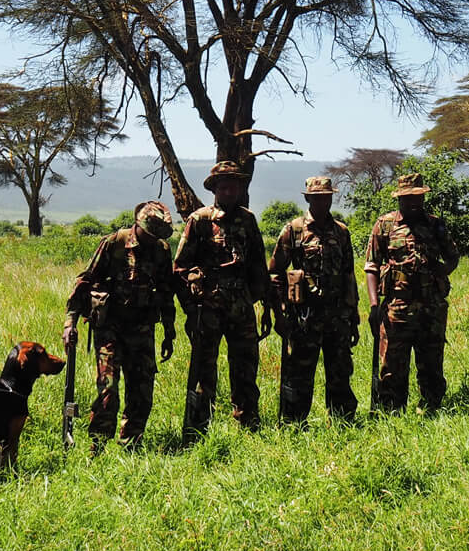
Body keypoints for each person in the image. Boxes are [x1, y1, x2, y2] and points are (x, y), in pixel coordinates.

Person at [63, 201, 178, 453]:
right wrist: (70, 322)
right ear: (137, 225)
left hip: (142, 329)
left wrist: (169, 332)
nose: (151, 239)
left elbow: (166, 292)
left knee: (142, 390)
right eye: (149, 234)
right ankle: (98, 445)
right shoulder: (114, 243)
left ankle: (131, 445)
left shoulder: (161, 250)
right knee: (108, 388)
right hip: (110, 328)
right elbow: (85, 281)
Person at [175, 161, 277, 439]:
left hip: (242, 308)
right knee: (203, 370)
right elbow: (180, 268)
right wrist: (191, 308)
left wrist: (266, 306)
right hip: (206, 309)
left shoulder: (248, 220)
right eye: (223, 186)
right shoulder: (199, 220)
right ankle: (197, 430)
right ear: (215, 189)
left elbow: (259, 266)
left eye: (234, 185)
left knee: (245, 367)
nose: (229, 190)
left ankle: (248, 425)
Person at [364, 172, 462, 413]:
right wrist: (374, 304)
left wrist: (442, 270)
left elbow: (453, 257)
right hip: (397, 306)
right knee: (393, 364)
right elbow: (371, 266)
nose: (413, 202)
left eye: (417, 197)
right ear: (399, 198)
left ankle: (431, 407)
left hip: (431, 306)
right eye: (407, 198)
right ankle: (392, 412)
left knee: (431, 360)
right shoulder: (385, 224)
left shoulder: (436, 224)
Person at [268, 176, 359, 424]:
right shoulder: (293, 230)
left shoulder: (341, 231)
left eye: (326, 197)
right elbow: (275, 272)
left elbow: (349, 274)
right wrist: (279, 312)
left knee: (340, 371)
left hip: (337, 315)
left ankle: (343, 422)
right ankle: (294, 423)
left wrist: (353, 315)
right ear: (307, 198)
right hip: (304, 317)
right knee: (299, 373)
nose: (322, 202)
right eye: (316, 198)